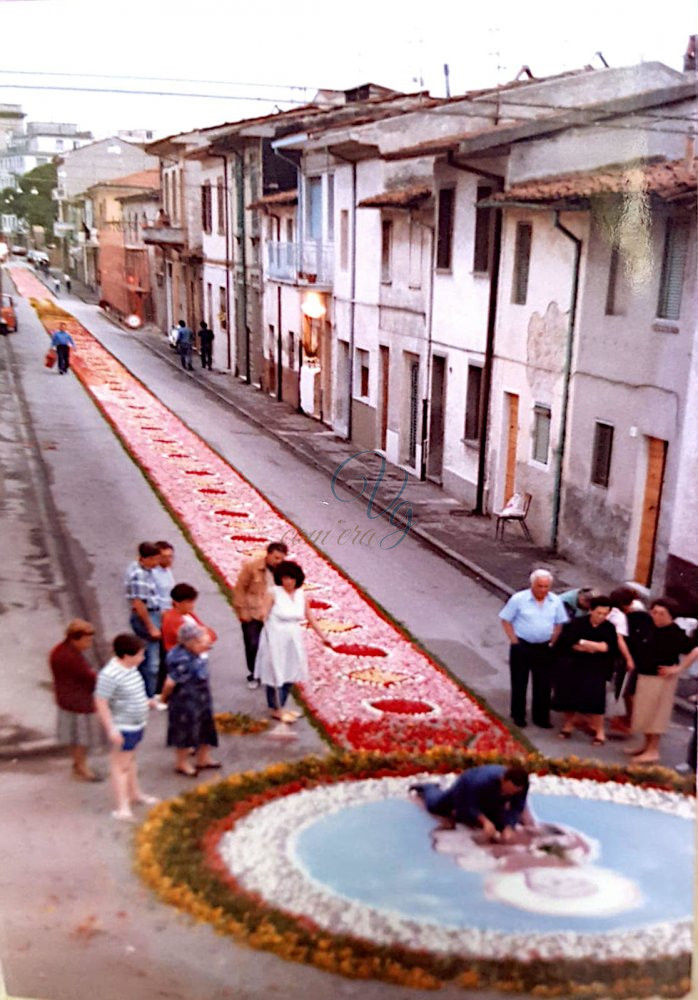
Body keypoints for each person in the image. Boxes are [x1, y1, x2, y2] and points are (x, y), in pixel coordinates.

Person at [254, 560, 332, 736]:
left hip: (293, 635)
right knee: (274, 669)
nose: (289, 582)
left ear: (298, 579)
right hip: (275, 634)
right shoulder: (273, 593)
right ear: (280, 579)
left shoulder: (301, 595)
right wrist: (262, 616)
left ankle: (282, 703)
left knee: (291, 669)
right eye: (285, 578)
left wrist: (323, 637)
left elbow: (310, 617)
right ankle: (275, 707)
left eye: (292, 578)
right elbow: (264, 612)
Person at [624, 597, 698, 763]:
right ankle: (646, 745)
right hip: (644, 674)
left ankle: (653, 750)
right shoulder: (651, 627)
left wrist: (678, 668)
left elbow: (695, 650)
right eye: (654, 612)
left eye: (661, 613)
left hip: (660, 679)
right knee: (645, 713)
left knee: (655, 715)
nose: (656, 616)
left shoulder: (675, 633)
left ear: (671, 616)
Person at [94, 633, 159, 821]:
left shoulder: (131, 668)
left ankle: (135, 794)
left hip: (137, 723)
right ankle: (123, 807)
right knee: (120, 765)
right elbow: (101, 701)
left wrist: (147, 702)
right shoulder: (110, 674)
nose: (143, 658)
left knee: (130, 760)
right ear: (126, 655)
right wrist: (111, 729)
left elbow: (130, 693)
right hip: (124, 726)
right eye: (139, 655)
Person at [499, 570, 568, 729]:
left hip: (544, 647)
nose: (542, 590)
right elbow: (506, 620)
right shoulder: (519, 599)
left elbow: (560, 622)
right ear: (532, 585)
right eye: (539, 586)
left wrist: (552, 641)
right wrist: (514, 641)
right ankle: (518, 715)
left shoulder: (555, 601)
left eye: (546, 586)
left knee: (544, 684)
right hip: (522, 645)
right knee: (519, 681)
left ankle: (541, 717)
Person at [553, 596, 618, 745]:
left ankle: (600, 732)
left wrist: (584, 643)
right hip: (575, 665)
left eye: (605, 614)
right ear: (591, 610)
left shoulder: (609, 628)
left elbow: (608, 647)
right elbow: (568, 642)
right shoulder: (577, 623)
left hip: (597, 668)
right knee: (569, 697)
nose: (601, 616)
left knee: (596, 700)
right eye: (599, 613)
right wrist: (595, 646)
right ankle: (568, 725)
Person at [410, 765, 535, 840]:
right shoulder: (479, 781)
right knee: (436, 806)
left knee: (499, 824)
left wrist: (509, 826)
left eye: (513, 792)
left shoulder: (520, 787)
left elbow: (517, 806)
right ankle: (429, 787)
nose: (510, 794)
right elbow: (471, 804)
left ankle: (492, 818)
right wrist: (484, 821)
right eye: (508, 790)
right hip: (465, 789)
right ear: (502, 780)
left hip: (492, 797)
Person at [161, 621, 220, 776]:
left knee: (205, 726)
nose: (206, 645)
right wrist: (163, 699)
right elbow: (169, 683)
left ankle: (203, 758)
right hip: (185, 701)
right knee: (185, 731)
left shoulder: (197, 652)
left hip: (201, 697)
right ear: (189, 642)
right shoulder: (180, 658)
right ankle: (182, 763)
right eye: (202, 642)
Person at [49, 619, 101, 781]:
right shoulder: (70, 657)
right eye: (87, 640)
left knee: (75, 736)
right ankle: (81, 767)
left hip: (68, 699)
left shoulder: (61, 651)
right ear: (75, 638)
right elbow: (89, 677)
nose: (89, 643)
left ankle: (77, 764)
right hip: (77, 702)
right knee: (81, 738)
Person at [233, 541, 288, 689]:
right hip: (253, 612)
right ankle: (254, 674)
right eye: (276, 558)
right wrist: (242, 611)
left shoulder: (284, 571)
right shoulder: (252, 568)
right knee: (252, 644)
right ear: (268, 554)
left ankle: (269, 672)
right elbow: (240, 589)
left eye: (282, 558)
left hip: (273, 614)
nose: (279, 562)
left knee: (273, 646)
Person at [124, 542, 163, 697]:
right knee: (152, 662)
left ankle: (140, 690)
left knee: (143, 655)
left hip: (152, 613)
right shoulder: (139, 575)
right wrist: (151, 627)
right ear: (144, 559)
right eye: (154, 559)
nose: (156, 563)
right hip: (147, 616)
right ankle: (149, 695)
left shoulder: (141, 569)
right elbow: (139, 604)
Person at [607, 586, 643, 734]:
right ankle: (630, 718)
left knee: (627, 689)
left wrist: (628, 659)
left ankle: (632, 720)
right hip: (622, 655)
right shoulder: (622, 615)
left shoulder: (618, 615)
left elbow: (620, 639)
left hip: (624, 655)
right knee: (625, 689)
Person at [161, 583, 217, 653]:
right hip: (182, 658)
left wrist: (203, 635)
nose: (192, 605)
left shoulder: (189, 614)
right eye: (189, 602)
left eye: (193, 602)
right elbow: (193, 642)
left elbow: (213, 635)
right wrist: (203, 632)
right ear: (177, 603)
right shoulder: (172, 619)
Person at [152, 540, 175, 694]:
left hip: (170, 614)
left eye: (171, 557)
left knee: (168, 652)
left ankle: (165, 685)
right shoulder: (153, 574)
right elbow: (154, 597)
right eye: (165, 557)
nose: (169, 560)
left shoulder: (167, 571)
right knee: (162, 653)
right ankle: (158, 689)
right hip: (161, 616)